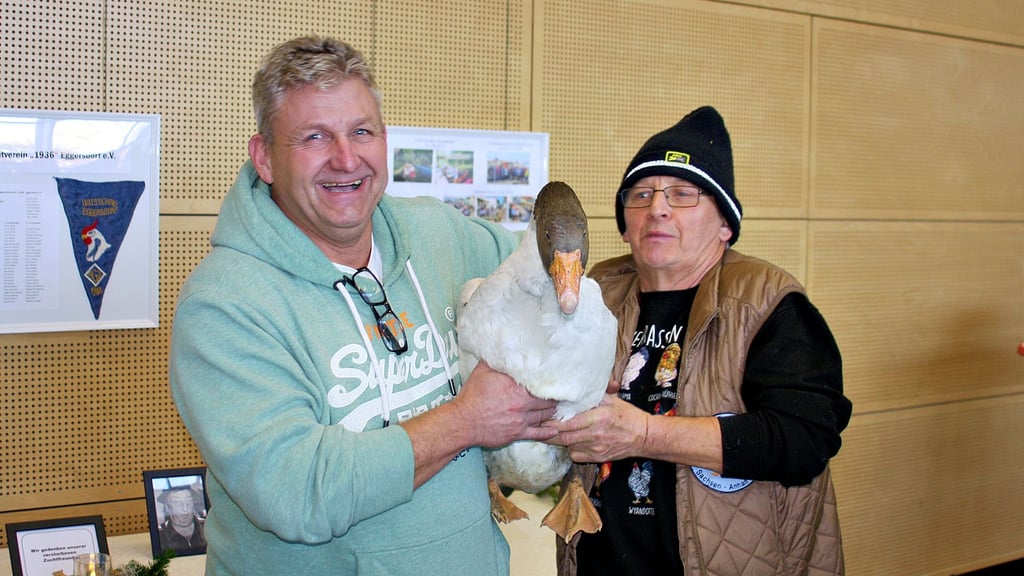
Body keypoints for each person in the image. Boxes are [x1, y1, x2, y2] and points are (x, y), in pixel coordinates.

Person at [168, 35, 557, 576]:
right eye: (314, 137)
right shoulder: (224, 305)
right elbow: (298, 491)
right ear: (264, 158)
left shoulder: (439, 233)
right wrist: (466, 421)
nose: (346, 158)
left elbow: (545, 272)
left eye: (361, 132)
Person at [548, 106, 853, 575]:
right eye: (642, 193)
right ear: (625, 223)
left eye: (683, 194)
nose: (658, 208)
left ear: (725, 225)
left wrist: (646, 433)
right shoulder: (591, 292)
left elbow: (806, 437)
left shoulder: (767, 300)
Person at [157, 486, 206, 553]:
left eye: (188, 501)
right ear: (167, 508)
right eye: (176, 502)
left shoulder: (207, 527)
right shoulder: (160, 535)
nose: (185, 508)